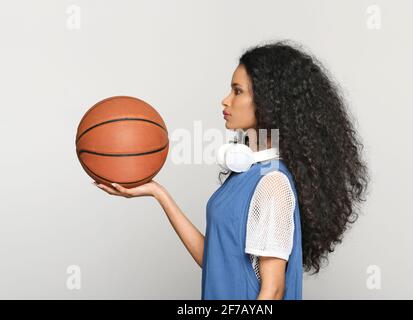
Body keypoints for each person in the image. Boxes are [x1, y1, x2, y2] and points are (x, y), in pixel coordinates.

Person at [94, 40, 370, 300]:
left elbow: (272, 291)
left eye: (237, 91)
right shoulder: (248, 172)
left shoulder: (272, 183)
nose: (225, 100)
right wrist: (158, 192)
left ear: (268, 101)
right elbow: (214, 260)